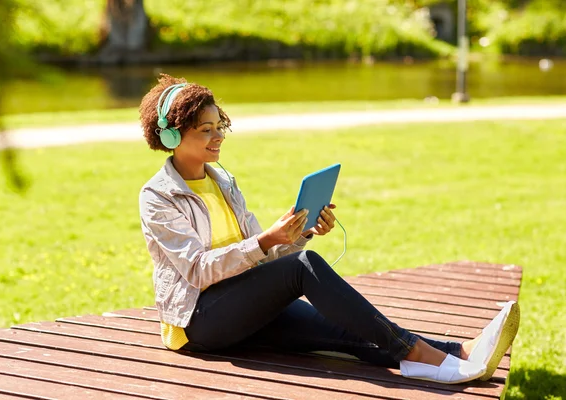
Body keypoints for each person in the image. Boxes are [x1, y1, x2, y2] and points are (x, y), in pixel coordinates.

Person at [138, 74, 520, 385]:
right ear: (172, 135)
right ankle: (423, 357)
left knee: (345, 330)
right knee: (302, 266)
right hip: (198, 323)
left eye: (220, 126)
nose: (218, 136)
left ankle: (460, 352)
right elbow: (199, 270)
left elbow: (261, 257)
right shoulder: (159, 196)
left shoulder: (222, 180)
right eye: (206, 130)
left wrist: (298, 233)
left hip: (243, 307)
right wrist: (268, 239)